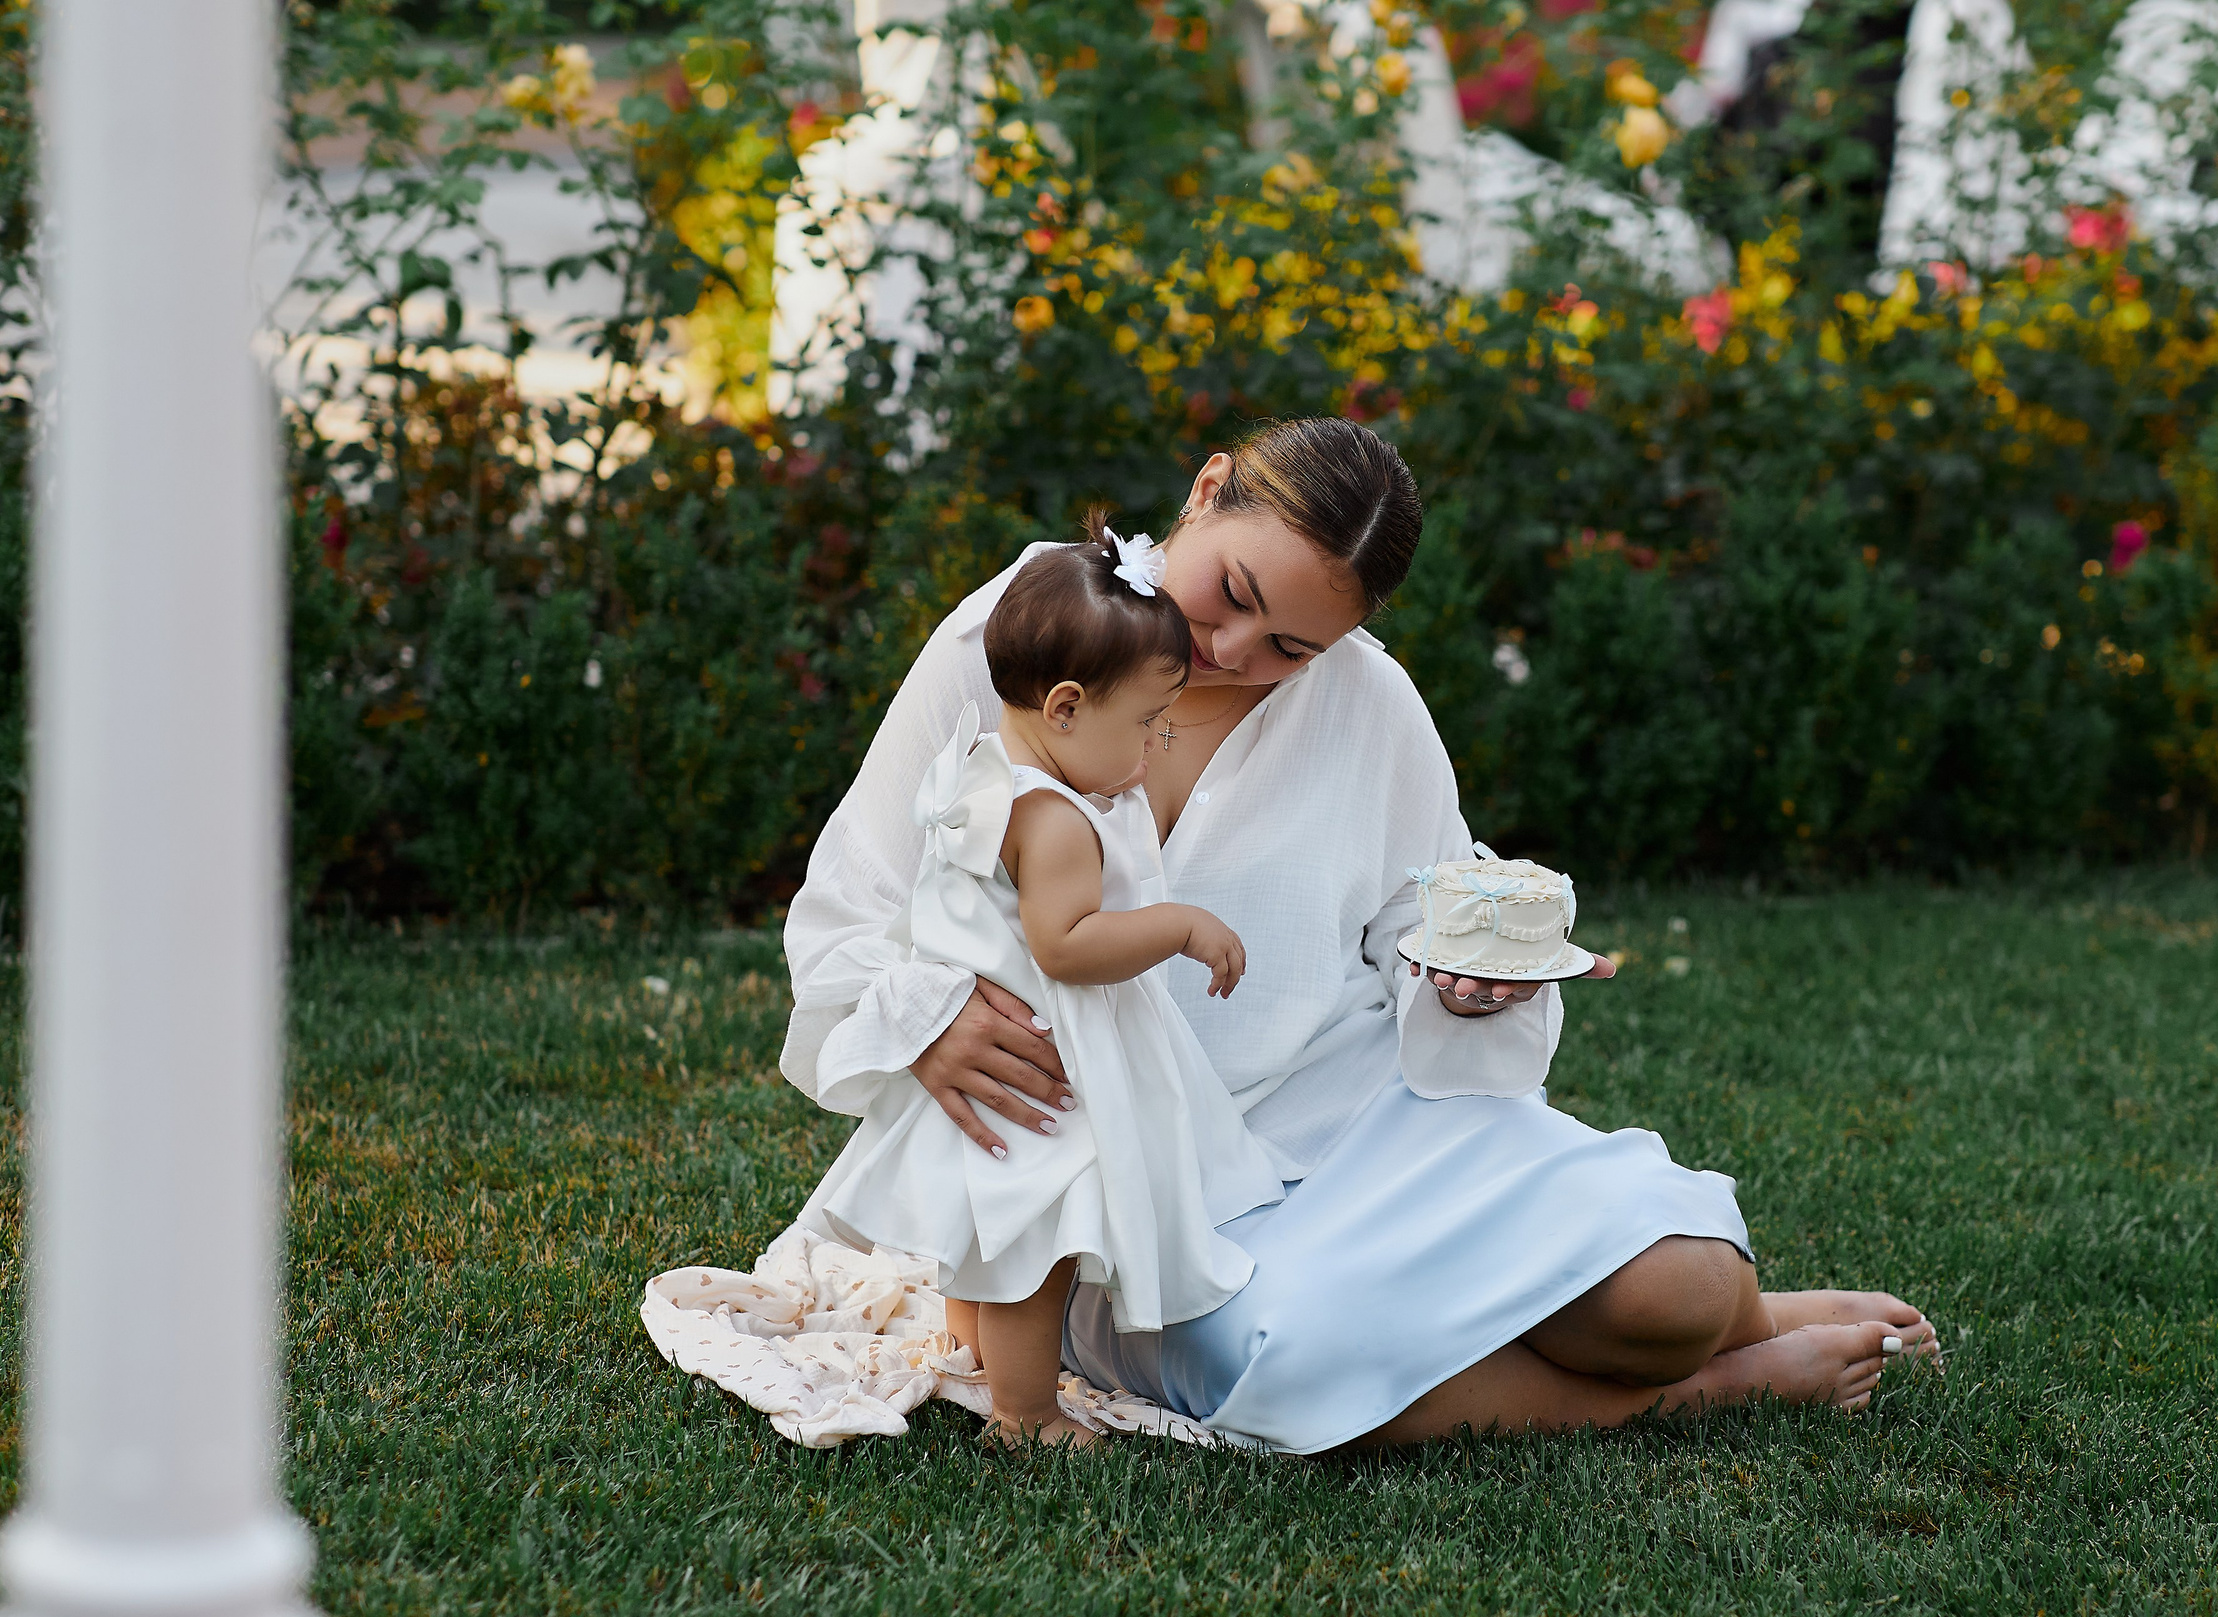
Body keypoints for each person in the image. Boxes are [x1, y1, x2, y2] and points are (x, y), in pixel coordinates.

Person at [781, 416, 1937, 1454]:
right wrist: (927, 1023)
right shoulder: (1017, 639)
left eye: (1293, 645)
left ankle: (1732, 1321)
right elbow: (850, 904)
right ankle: (1701, 1392)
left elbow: (1420, 918)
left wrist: (1466, 985)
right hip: (1111, 1179)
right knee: (1297, 1362)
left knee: (1680, 1288)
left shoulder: (1369, 702)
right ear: (1205, 490)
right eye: (1232, 592)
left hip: (1349, 1120)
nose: (1236, 651)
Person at [797, 521, 1284, 1447]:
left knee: (987, 1229)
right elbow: (1066, 945)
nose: (1154, 747)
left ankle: (968, 1355)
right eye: (1145, 723)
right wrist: (1181, 926)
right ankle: (1026, 1415)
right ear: (1065, 707)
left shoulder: (981, 769)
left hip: (990, 1048)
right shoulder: (1058, 821)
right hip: (1044, 1065)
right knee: (1035, 1254)